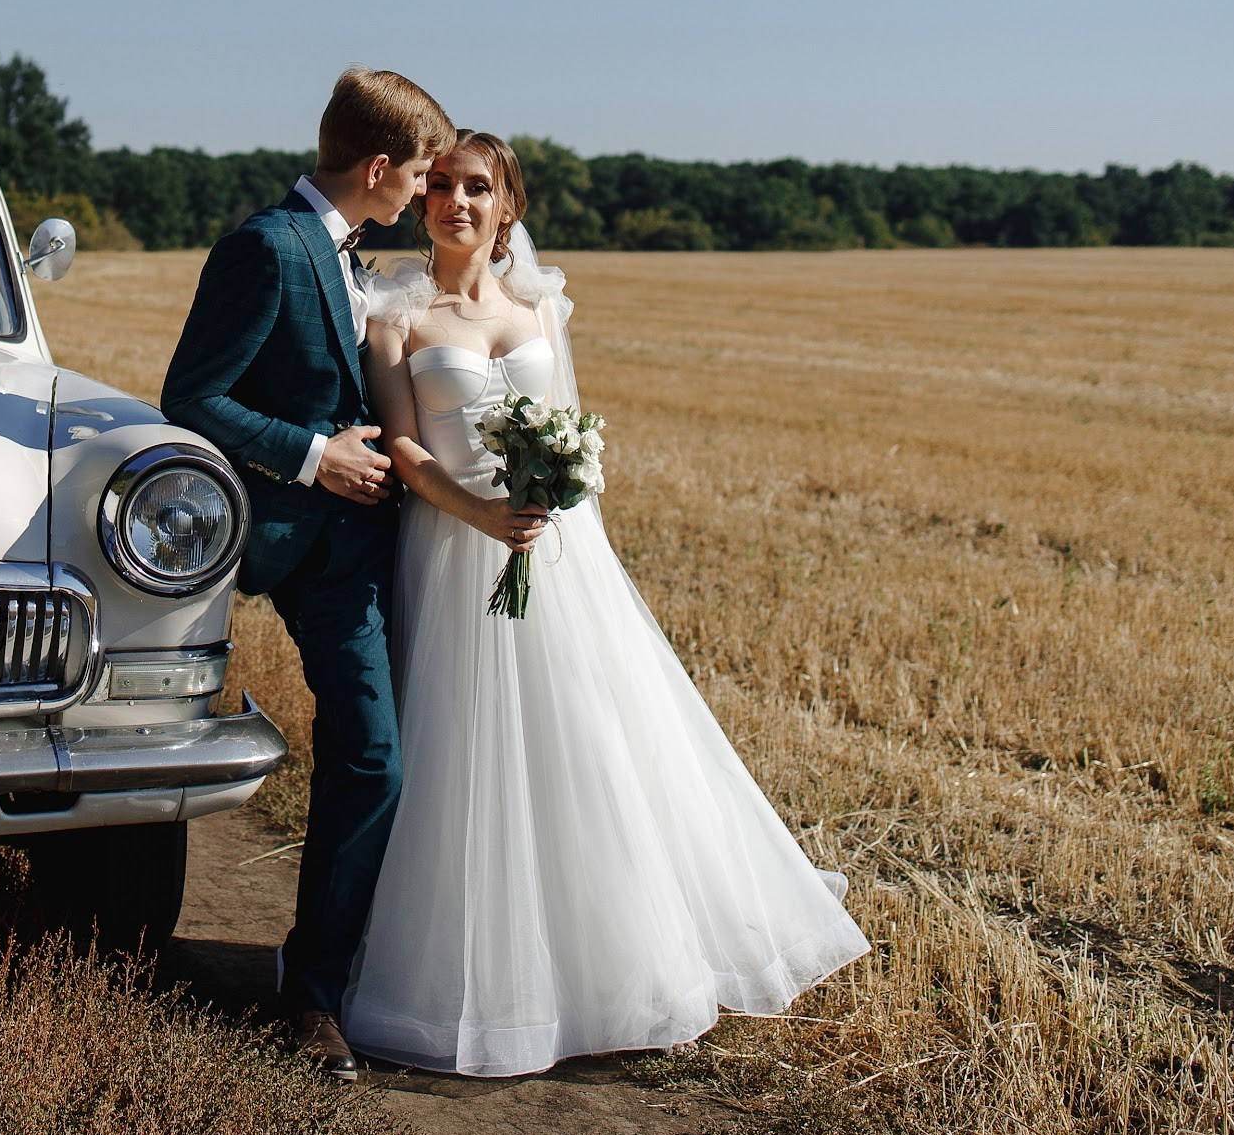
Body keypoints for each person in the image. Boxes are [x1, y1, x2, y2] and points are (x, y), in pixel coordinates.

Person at [343, 132, 870, 1077]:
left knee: (594, 743)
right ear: (422, 204)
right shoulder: (394, 315)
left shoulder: (543, 305)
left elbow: (571, 425)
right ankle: (495, 985)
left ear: (508, 207)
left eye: (480, 188)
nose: (459, 202)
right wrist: (483, 513)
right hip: (459, 546)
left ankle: (619, 966)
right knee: (473, 760)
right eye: (446, 188)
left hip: (562, 554)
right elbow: (407, 449)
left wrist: (559, 498)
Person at [161, 66, 456, 1081]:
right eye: (419, 172)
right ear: (377, 167)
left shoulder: (353, 254)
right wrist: (313, 453)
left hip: (383, 546)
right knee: (372, 756)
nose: (424, 190)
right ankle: (314, 996)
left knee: (386, 755)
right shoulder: (265, 246)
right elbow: (191, 397)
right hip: (306, 547)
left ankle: (352, 965)